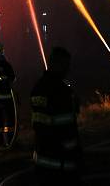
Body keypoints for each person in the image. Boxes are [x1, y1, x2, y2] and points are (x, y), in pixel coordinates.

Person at [30, 47, 81, 185]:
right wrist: (76, 154)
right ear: (60, 64)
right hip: (61, 163)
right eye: (66, 65)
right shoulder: (62, 92)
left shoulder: (37, 88)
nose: (68, 69)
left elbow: (38, 122)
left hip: (41, 158)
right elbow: (67, 129)